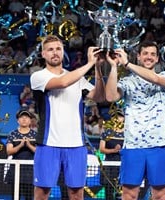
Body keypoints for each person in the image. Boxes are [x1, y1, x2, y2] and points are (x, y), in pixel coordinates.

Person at [30, 35, 105, 200]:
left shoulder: (78, 78)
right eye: (50, 49)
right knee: (42, 194)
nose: (55, 53)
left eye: (58, 49)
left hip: (76, 145)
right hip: (48, 144)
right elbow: (63, 82)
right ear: (43, 54)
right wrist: (89, 63)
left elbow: (99, 96)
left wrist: (98, 68)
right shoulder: (38, 76)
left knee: (77, 194)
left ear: (63, 52)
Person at [105, 41, 165, 200]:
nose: (149, 57)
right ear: (139, 56)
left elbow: (155, 79)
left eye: (152, 54)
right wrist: (114, 66)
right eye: (145, 53)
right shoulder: (127, 82)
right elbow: (110, 96)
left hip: (158, 146)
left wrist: (127, 64)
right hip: (132, 147)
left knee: (161, 195)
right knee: (129, 194)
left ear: (157, 59)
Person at [5, 109, 37, 200]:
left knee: (29, 196)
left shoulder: (35, 134)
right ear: (17, 120)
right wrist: (20, 145)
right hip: (15, 169)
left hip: (30, 170)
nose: (24, 119)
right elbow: (9, 151)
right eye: (21, 117)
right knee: (15, 196)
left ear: (30, 120)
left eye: (26, 117)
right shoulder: (13, 134)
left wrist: (29, 145)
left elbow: (39, 152)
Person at [99, 109, 125, 200]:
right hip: (109, 165)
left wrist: (122, 151)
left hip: (123, 165)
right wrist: (114, 150)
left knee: (122, 191)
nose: (118, 118)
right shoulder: (107, 133)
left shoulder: (128, 133)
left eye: (120, 116)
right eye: (116, 116)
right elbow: (101, 149)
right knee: (109, 191)